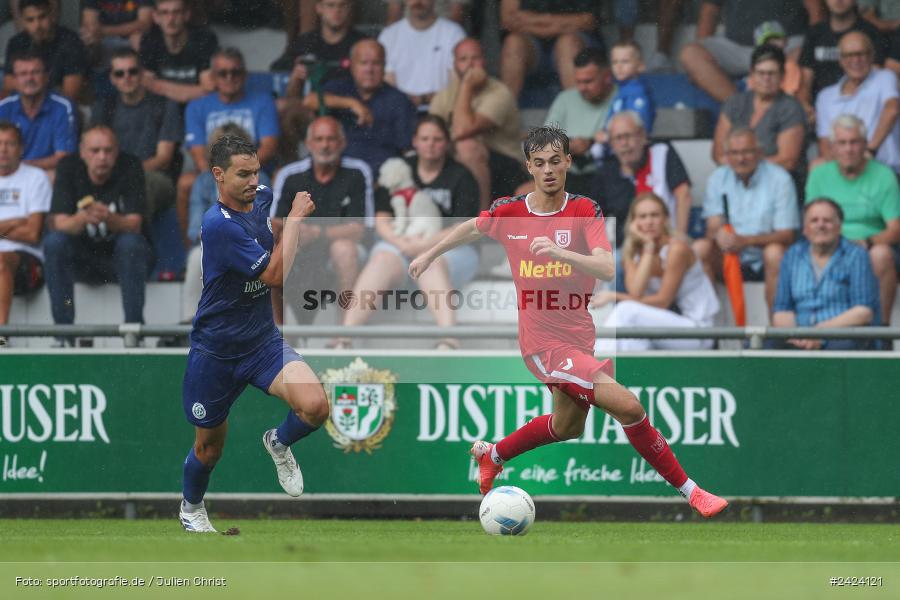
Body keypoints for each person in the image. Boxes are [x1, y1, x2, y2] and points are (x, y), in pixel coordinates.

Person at [408, 125, 728, 518]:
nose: (548, 170)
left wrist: (563, 255)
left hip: (579, 339)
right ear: (529, 165)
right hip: (543, 345)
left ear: (568, 163)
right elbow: (472, 227)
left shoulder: (585, 210)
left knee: (567, 426)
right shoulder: (511, 211)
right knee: (629, 407)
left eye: (555, 162)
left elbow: (607, 267)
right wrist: (430, 254)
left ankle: (494, 454)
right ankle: (693, 492)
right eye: (539, 163)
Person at [179, 134, 328, 533]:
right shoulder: (217, 226)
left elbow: (269, 222)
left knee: (316, 406)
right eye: (242, 174)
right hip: (216, 351)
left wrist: (286, 222)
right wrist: (295, 220)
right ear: (217, 175)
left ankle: (278, 442)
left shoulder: (260, 195)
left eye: (256, 171)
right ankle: (192, 509)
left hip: (262, 341)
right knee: (208, 450)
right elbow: (276, 275)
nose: (252, 180)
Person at [336, 115, 479, 350]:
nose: (431, 144)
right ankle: (345, 337)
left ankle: (449, 340)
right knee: (381, 258)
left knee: (430, 263)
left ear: (446, 143)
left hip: (452, 248)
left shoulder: (461, 176)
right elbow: (382, 218)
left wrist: (424, 248)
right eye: (425, 138)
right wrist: (402, 244)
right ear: (415, 141)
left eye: (437, 139)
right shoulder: (400, 169)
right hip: (401, 243)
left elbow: (462, 228)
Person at [43, 126, 151, 334]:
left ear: (117, 151)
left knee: (131, 243)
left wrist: (109, 219)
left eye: (108, 150)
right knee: (54, 243)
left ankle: (133, 329)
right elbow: (58, 223)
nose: (102, 157)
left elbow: (135, 224)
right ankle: (64, 332)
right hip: (81, 259)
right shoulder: (68, 166)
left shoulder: (129, 165)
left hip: (120, 260)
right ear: (82, 152)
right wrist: (83, 218)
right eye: (95, 151)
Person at [271, 115, 370, 325]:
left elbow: (359, 229)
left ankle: (344, 335)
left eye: (331, 139)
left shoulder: (357, 172)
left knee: (343, 249)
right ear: (308, 144)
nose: (325, 145)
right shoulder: (289, 175)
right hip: (298, 246)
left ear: (342, 143)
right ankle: (277, 333)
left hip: (343, 249)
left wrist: (316, 233)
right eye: (319, 139)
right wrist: (294, 233)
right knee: (270, 246)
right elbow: (275, 223)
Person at [592, 193, 719, 351]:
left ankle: (593, 367)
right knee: (629, 341)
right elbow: (636, 292)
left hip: (697, 331)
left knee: (626, 311)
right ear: (634, 222)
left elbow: (662, 301)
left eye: (655, 215)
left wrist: (614, 296)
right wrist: (649, 248)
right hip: (663, 329)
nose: (649, 221)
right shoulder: (633, 253)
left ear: (665, 219)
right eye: (642, 216)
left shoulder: (677, 249)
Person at [805, 114, 900, 325]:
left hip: (869, 246)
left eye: (854, 142)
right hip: (828, 244)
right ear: (832, 147)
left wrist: (866, 243)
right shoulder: (819, 175)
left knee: (881, 254)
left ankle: (880, 330)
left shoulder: (884, 175)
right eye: (842, 143)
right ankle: (811, 328)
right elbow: (810, 222)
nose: (849, 149)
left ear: (865, 144)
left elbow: (896, 229)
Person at [179, 48, 279, 244]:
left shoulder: (263, 101)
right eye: (223, 73)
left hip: (254, 171)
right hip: (214, 170)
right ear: (213, 76)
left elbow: (269, 148)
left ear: (245, 75)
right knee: (187, 183)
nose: (229, 77)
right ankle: (191, 248)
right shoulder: (197, 106)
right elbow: (199, 156)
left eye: (235, 72)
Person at [695, 128, 799, 313]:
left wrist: (745, 241)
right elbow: (712, 226)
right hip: (728, 257)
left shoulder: (780, 179)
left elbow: (787, 235)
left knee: (774, 253)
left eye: (747, 152)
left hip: (764, 257)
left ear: (759, 153)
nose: (741, 159)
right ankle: (707, 330)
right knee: (700, 248)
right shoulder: (718, 178)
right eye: (734, 153)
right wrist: (719, 235)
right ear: (726, 156)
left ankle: (776, 331)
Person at [183, 123, 269, 323]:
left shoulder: (259, 179)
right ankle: (190, 321)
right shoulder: (203, 182)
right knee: (197, 257)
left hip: (250, 246)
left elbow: (263, 223)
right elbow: (195, 229)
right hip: (214, 246)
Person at [429, 38, 527, 210]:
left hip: (504, 168)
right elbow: (431, 131)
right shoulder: (443, 96)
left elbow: (462, 130)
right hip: (456, 159)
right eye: (463, 59)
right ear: (455, 64)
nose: (470, 64)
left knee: (467, 146)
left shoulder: (499, 93)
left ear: (484, 61)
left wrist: (466, 86)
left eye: (475, 58)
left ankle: (480, 222)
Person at [772, 197, 880, 350]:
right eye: (814, 220)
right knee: (758, 345)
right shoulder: (792, 255)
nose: (820, 225)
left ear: (839, 227)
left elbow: (863, 312)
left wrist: (819, 332)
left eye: (827, 220)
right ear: (804, 229)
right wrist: (797, 337)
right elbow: (782, 311)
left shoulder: (857, 255)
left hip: (841, 334)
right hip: (800, 336)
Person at [679, 0, 822, 103]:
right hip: (738, 48)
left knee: (803, 52)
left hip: (786, 45)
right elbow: (710, 10)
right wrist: (702, 69)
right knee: (691, 53)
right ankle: (743, 110)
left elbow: (816, 10)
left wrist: (815, 42)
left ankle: (782, 113)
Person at [310, 39, 417, 174]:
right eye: (363, 63)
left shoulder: (399, 100)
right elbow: (309, 101)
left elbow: (407, 149)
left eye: (376, 63)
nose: (369, 69)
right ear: (352, 66)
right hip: (338, 174)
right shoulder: (339, 88)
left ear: (384, 67)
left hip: (381, 178)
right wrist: (351, 103)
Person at [591, 111, 693, 246]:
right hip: (627, 250)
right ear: (611, 144)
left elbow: (683, 194)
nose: (624, 143)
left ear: (643, 136)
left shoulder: (662, 153)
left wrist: (679, 240)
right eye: (618, 138)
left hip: (667, 243)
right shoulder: (605, 172)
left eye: (628, 136)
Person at [712, 44, 807, 177]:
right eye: (760, 73)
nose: (766, 79)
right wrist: (744, 169)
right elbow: (719, 154)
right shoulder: (734, 103)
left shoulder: (791, 108)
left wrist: (744, 166)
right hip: (736, 181)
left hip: (778, 182)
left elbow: (787, 161)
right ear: (751, 75)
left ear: (782, 76)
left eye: (772, 73)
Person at [814, 31, 900, 173]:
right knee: (816, 166)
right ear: (840, 60)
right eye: (849, 55)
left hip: (886, 168)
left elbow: (892, 110)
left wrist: (869, 152)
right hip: (845, 171)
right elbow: (825, 143)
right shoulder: (826, 96)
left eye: (861, 54)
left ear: (871, 56)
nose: (856, 60)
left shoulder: (885, 78)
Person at [0, 120, 51, 348]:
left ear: (21, 148)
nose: (3, 149)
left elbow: (32, 233)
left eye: (10, 143)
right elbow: (24, 226)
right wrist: (14, 222)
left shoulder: (35, 177)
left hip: (27, 266)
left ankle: (1, 335)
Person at [544, 48, 615, 196]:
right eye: (579, 82)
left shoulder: (621, 99)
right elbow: (545, 141)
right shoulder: (565, 99)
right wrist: (569, 145)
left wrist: (589, 144)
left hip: (607, 176)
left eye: (588, 81)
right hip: (566, 177)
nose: (582, 88)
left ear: (607, 76)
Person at [499, 0, 603, 99]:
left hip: (575, 38)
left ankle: (577, 112)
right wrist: (555, 25)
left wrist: (535, 20)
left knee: (567, 44)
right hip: (531, 43)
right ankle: (505, 113)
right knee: (513, 44)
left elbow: (588, 19)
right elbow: (508, 19)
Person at [799, 0, 887, 111]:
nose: (838, 0)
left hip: (860, 109)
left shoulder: (871, 33)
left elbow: (874, 78)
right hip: (819, 109)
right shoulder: (815, 33)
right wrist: (806, 107)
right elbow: (805, 82)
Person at [0, 50, 76, 176]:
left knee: (57, 175)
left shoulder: (62, 107)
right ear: (14, 79)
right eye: (23, 74)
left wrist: (21, 167)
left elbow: (64, 157)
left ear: (46, 76)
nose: (29, 78)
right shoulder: (3, 107)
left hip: (44, 172)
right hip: (6, 172)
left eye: (35, 72)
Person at [377, 0, 465, 108]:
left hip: (441, 111)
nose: (418, 2)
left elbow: (456, 84)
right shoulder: (388, 35)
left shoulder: (454, 33)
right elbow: (387, 85)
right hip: (400, 112)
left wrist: (424, 99)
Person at [3, 0, 87, 102]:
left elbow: (70, 94)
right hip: (23, 107)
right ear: (23, 21)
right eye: (30, 20)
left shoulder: (71, 40)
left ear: (51, 15)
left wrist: (27, 84)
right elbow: (8, 87)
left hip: (58, 109)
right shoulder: (16, 42)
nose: (37, 25)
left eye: (42, 17)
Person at [139, 0, 219, 105]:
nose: (171, 19)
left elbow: (208, 90)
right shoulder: (149, 41)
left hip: (197, 106)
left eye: (176, 12)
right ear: (156, 17)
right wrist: (189, 91)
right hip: (163, 108)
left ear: (186, 15)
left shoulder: (204, 40)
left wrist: (161, 87)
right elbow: (148, 85)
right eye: (164, 12)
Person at [606, 40, 656, 134]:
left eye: (625, 61)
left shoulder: (639, 93)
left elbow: (639, 127)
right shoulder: (620, 91)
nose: (619, 66)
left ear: (640, 66)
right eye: (614, 62)